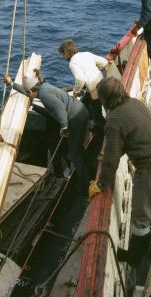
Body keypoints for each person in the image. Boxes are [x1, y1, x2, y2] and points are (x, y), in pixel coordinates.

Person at [89, 77, 151, 268]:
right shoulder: (135, 103)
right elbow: (133, 136)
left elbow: (110, 161)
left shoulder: (114, 120)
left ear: (105, 100)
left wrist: (100, 183)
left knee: (141, 216)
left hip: (147, 168)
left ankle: (134, 257)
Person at [4, 71, 90, 193]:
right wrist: (12, 84)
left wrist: (64, 127)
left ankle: (85, 184)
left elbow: (59, 109)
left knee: (73, 154)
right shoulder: (42, 86)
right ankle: (88, 166)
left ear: (31, 90)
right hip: (80, 111)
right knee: (76, 149)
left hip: (77, 118)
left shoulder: (45, 95)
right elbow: (28, 93)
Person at [58, 39, 108, 131]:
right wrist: (96, 70)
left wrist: (76, 92)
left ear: (66, 53)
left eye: (62, 54)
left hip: (93, 89)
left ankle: (102, 132)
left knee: (98, 116)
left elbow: (80, 79)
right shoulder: (86, 54)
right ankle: (84, 118)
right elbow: (104, 62)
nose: (63, 57)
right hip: (100, 82)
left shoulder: (72, 63)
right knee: (83, 104)